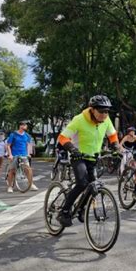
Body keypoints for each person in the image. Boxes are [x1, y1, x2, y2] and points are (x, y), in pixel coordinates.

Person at [56, 95, 119, 227]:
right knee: (82, 183)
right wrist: (73, 149)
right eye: (101, 111)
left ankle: (80, 208)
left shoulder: (106, 120)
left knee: (93, 185)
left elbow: (112, 135)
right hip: (78, 157)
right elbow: (62, 138)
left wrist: (116, 148)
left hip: (93, 158)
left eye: (107, 111)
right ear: (92, 109)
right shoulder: (79, 119)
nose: (104, 114)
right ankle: (64, 211)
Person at [6, 121, 38, 192]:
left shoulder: (27, 135)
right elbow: (8, 145)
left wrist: (28, 153)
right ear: (20, 126)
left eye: (26, 125)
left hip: (24, 155)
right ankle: (10, 186)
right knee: (12, 170)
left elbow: (28, 145)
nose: (26, 126)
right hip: (14, 155)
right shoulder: (13, 134)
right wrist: (10, 155)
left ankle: (31, 184)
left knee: (28, 170)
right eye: (25, 125)